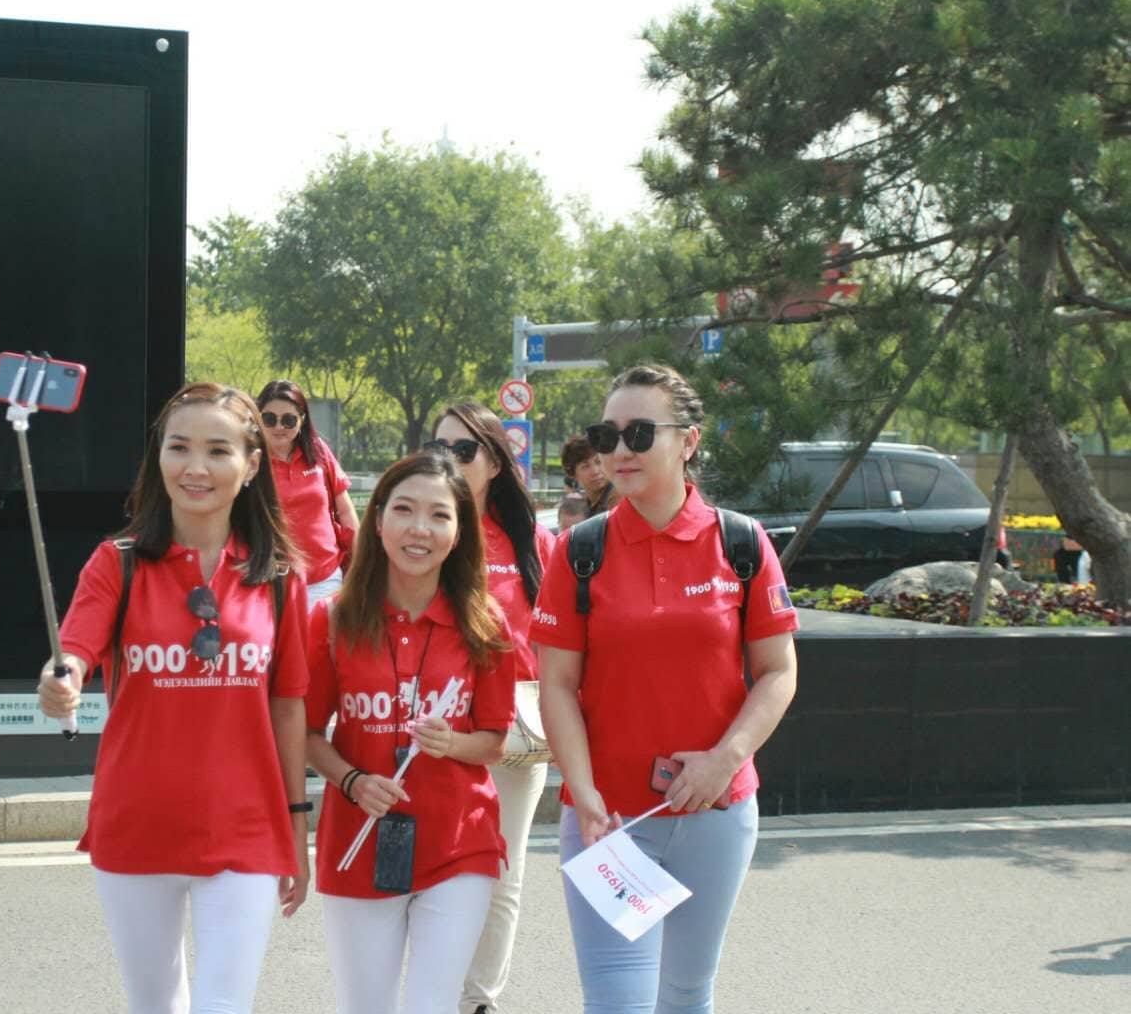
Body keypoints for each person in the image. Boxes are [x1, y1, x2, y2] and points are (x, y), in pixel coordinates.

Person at [37, 381, 312, 1014]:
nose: (195, 467)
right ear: (158, 457)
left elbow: (288, 705)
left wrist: (297, 829)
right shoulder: (117, 562)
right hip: (137, 823)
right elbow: (74, 648)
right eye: (179, 447)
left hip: (246, 826)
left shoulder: (279, 577)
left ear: (250, 465)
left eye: (217, 450)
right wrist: (63, 679)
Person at [534, 364, 799, 1014]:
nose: (618, 451)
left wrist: (724, 761)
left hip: (716, 812)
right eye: (606, 435)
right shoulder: (578, 551)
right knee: (617, 1003)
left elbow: (777, 671)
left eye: (639, 433)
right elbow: (556, 685)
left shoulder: (741, 543)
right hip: (607, 821)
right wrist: (585, 796)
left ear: (688, 440)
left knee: (684, 996)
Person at [305, 451, 516, 1014]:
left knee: (431, 1005)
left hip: (459, 844)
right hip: (358, 840)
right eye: (404, 509)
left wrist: (452, 744)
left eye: (439, 515)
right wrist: (352, 781)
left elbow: (495, 741)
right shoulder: (331, 618)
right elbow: (306, 733)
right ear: (377, 521)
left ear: (458, 532)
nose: (420, 528)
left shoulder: (486, 622)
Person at [426, 402, 555, 1014]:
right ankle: (429, 993)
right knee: (434, 871)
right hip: (432, 730)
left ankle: (478, 1000)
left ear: (496, 463)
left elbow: (559, 641)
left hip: (512, 733)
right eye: (438, 448)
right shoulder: (423, 531)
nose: (449, 459)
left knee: (503, 873)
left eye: (464, 449)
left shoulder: (535, 543)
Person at [256, 379, 360, 609]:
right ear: (258, 418)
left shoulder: (318, 450)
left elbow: (345, 511)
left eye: (289, 420)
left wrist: (363, 561)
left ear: (302, 420)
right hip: (271, 583)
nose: (279, 427)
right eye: (269, 418)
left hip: (326, 579)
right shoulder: (250, 462)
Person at [560, 434, 617, 517]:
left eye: (598, 462)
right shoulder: (586, 506)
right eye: (585, 466)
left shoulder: (617, 498)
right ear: (573, 474)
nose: (595, 471)